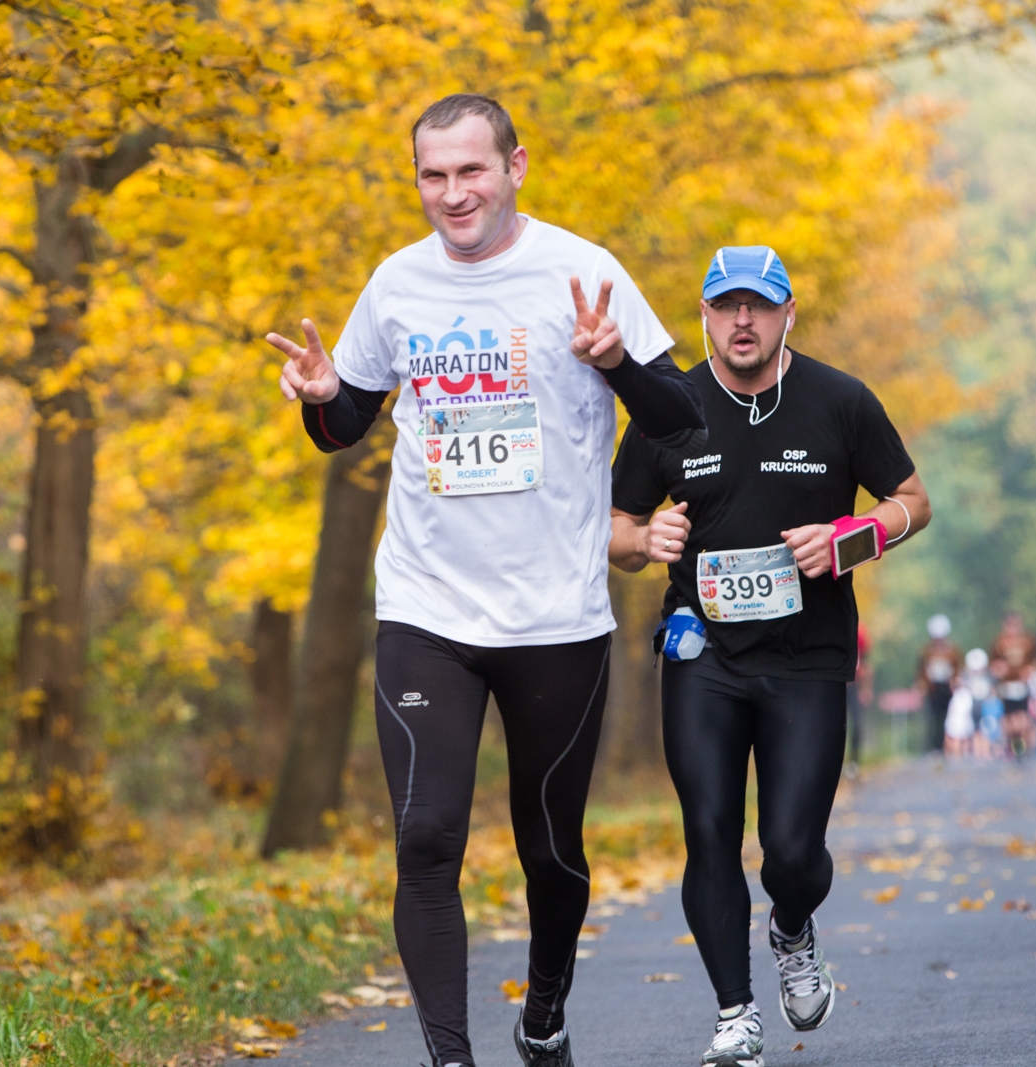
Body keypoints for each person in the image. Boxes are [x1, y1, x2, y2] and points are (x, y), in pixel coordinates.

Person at [271, 94, 704, 1067]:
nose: (452, 193)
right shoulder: (396, 283)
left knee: (549, 848)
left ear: (515, 166)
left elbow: (682, 420)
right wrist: (325, 396)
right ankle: (452, 1057)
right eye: (433, 175)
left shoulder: (581, 271)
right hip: (427, 602)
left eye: (471, 170)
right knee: (425, 836)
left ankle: (543, 1008)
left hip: (555, 612)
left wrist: (616, 360)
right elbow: (348, 427)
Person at [609, 246, 930, 1067]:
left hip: (807, 657)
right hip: (701, 652)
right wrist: (644, 540)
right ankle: (734, 1012)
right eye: (725, 307)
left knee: (791, 848)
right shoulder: (669, 407)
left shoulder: (840, 401)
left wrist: (851, 539)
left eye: (759, 305)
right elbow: (613, 527)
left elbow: (913, 503)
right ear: (706, 318)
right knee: (709, 828)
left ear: (789, 313)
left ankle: (792, 925)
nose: (741, 321)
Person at [989, 613, 1036, 759]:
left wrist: (1030, 670)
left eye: (1015, 625)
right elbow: (992, 664)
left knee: (1022, 721)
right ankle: (1011, 749)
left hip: (1022, 686)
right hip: (1006, 687)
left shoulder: (1028, 642)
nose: (1012, 629)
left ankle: (1023, 751)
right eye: (1009, 625)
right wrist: (998, 669)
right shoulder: (999, 642)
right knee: (1009, 722)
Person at [917, 614, 959, 753]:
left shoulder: (952, 652)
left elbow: (957, 669)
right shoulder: (927, 652)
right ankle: (933, 747)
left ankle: (942, 746)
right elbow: (921, 670)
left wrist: (955, 681)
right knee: (933, 718)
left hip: (946, 689)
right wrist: (922, 684)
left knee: (945, 718)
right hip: (932, 689)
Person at [844, 624, 872, 778]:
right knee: (835, 726)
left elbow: (867, 663)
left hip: (855, 684)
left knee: (857, 724)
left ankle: (854, 763)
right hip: (836, 686)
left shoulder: (859, 632)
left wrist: (866, 689)